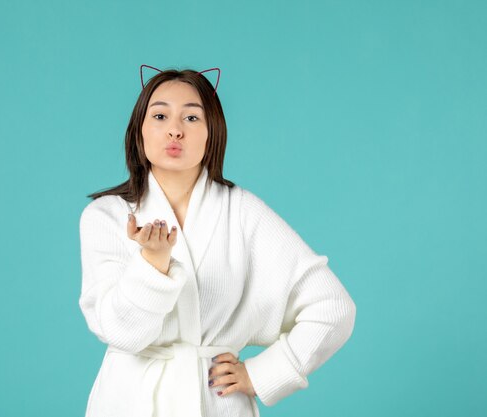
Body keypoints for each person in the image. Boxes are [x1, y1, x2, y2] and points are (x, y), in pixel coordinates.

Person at [78, 65, 357, 417]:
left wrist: (265, 374)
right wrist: (153, 263)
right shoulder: (106, 216)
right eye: (160, 115)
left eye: (192, 118)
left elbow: (333, 308)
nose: (175, 130)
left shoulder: (244, 213)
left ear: (213, 133)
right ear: (139, 132)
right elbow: (123, 333)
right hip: (128, 402)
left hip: (216, 402)